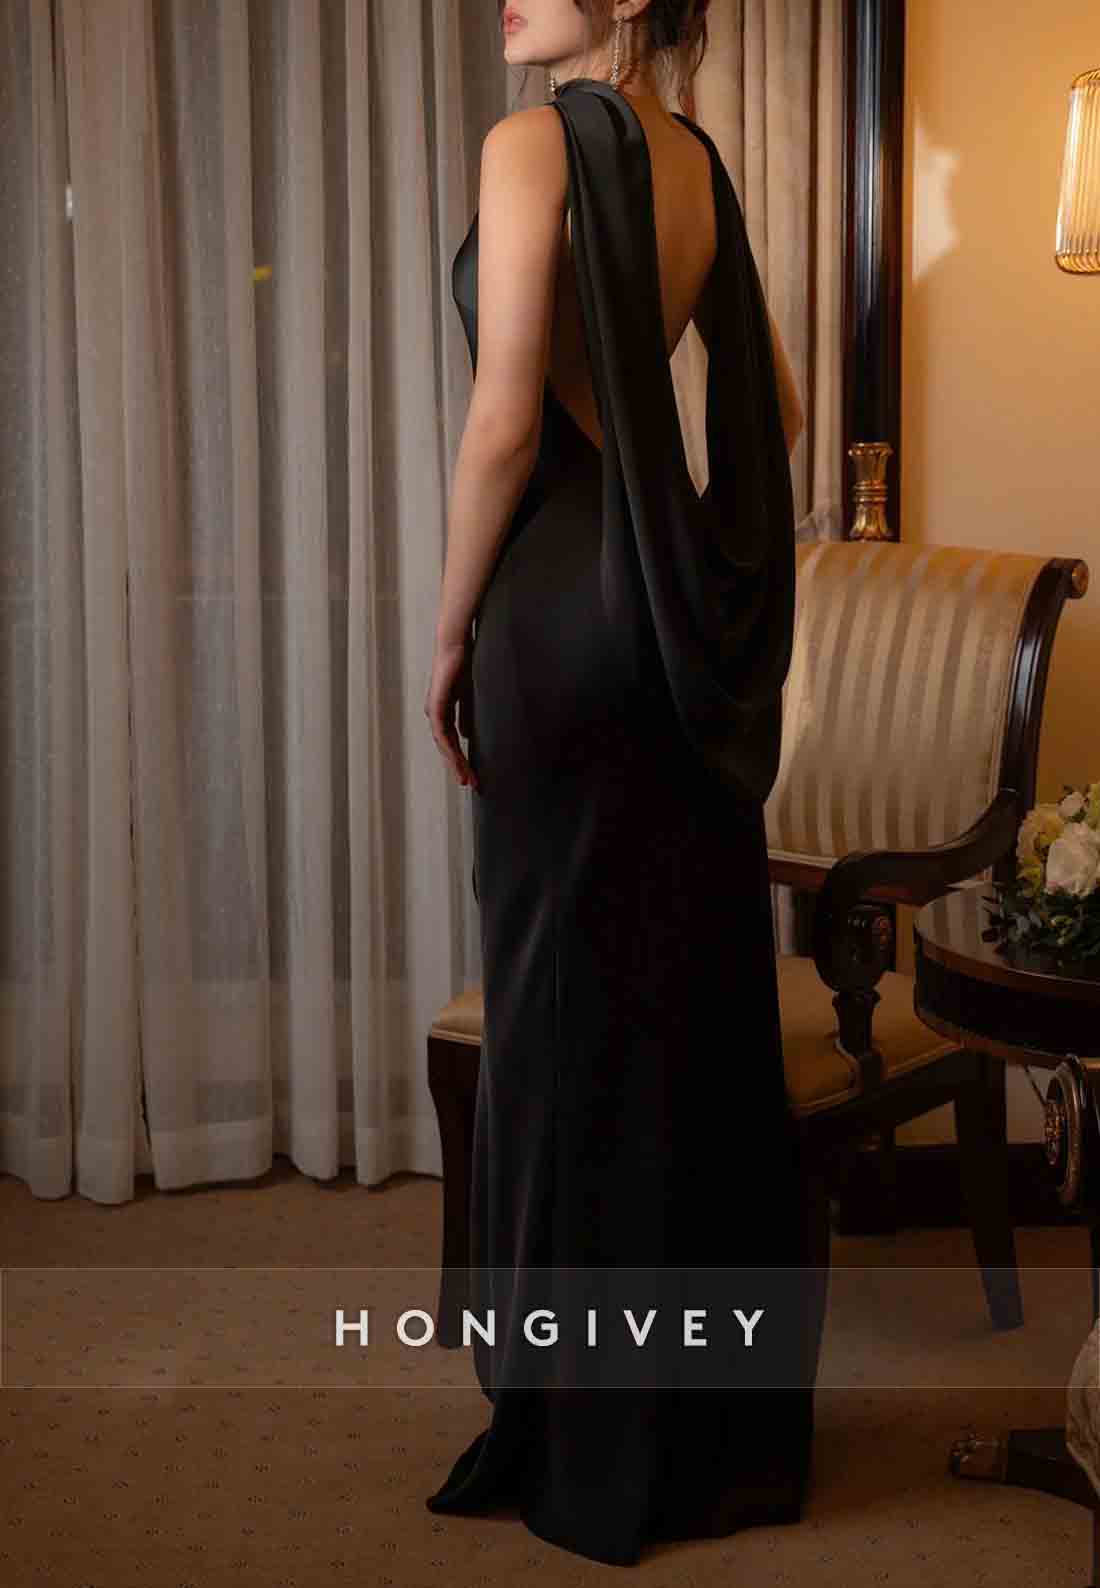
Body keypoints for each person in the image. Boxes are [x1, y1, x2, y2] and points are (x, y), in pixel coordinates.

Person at [423, 0, 825, 1567]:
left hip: (552, 611)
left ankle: (579, 1435)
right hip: (660, 627)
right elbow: (777, 410)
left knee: (559, 1019)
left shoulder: (531, 144)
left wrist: (447, 631)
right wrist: (675, 523)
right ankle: (699, 1432)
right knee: (667, 1020)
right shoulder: (695, 163)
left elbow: (504, 417)